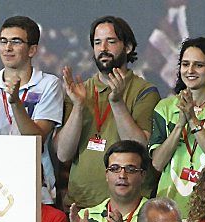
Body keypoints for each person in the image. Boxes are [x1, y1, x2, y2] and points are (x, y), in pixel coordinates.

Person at [0, 15, 63, 222]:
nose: (7, 47)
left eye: (16, 41)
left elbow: (36, 138)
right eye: (3, 41)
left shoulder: (49, 84)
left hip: (36, 189)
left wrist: (16, 103)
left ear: (32, 50)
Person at [56, 16, 161, 208]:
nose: (103, 48)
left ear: (128, 47)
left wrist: (117, 102)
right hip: (81, 203)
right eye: (97, 42)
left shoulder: (144, 91)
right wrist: (78, 106)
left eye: (110, 41)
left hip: (129, 206)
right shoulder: (80, 90)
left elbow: (140, 146)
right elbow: (63, 154)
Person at [149, 37, 205, 216]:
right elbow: (157, 163)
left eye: (198, 65)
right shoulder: (165, 107)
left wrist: (193, 121)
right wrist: (179, 125)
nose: (190, 70)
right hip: (168, 208)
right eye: (185, 64)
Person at [64, 140, 150, 222]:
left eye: (130, 169)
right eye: (114, 169)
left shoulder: (156, 215)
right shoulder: (86, 216)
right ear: (106, 175)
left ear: (143, 175)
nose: (122, 175)